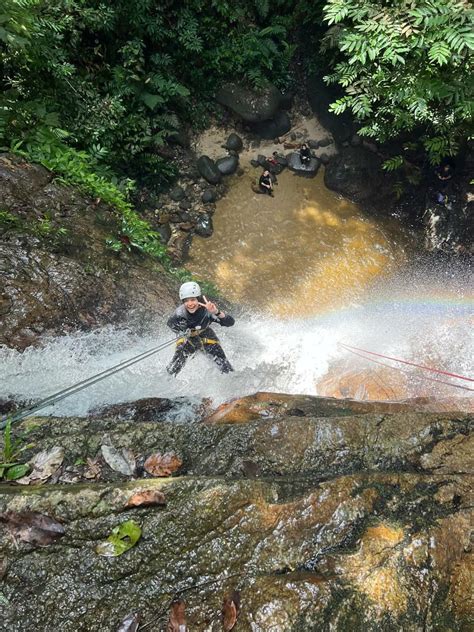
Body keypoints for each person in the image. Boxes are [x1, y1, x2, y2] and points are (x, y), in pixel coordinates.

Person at [166, 281, 235, 376]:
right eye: (186, 300)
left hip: (206, 336)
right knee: (174, 366)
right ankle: (167, 381)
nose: (190, 304)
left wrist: (216, 312)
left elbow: (230, 323)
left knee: (225, 367)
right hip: (187, 339)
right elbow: (170, 325)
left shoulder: (208, 311)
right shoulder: (178, 314)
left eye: (193, 299)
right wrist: (180, 330)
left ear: (198, 299)